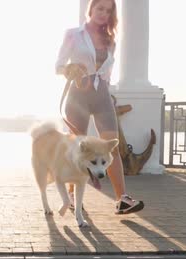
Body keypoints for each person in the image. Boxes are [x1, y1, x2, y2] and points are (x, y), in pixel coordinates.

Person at [55, 0, 144, 214]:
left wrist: (107, 91)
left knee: (109, 147)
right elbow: (58, 66)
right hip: (78, 94)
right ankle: (74, 197)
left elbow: (107, 72)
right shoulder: (73, 34)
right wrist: (69, 69)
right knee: (78, 148)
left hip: (102, 94)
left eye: (108, 10)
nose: (103, 13)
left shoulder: (111, 40)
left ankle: (122, 199)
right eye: (100, 8)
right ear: (91, 9)